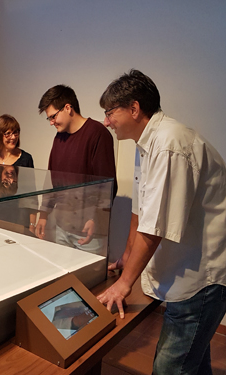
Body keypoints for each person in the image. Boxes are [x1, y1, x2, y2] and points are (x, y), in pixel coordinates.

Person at [96, 69, 226, 375]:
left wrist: (124, 284)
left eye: (109, 112)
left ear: (134, 108)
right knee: (195, 363)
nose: (106, 121)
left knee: (172, 368)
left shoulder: (169, 143)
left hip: (200, 280)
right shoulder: (148, 142)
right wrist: (128, 254)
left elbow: (155, 227)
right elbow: (142, 210)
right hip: (188, 273)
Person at [35, 85, 117, 253]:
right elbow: (52, 180)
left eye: (53, 117)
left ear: (67, 108)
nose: (51, 122)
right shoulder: (59, 137)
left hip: (88, 232)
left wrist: (95, 218)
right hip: (62, 227)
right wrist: (43, 214)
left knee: (86, 279)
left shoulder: (97, 134)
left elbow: (106, 185)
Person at [0, 114, 36, 234]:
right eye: (8, 133)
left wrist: (32, 225)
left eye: (16, 133)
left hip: (17, 219)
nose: (13, 137)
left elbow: (31, 196)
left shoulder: (26, 159)